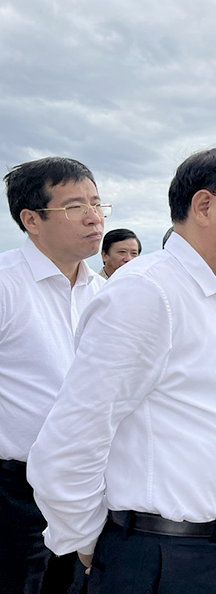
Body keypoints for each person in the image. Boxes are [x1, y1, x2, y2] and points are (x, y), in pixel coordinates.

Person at [27, 146, 216, 594]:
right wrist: (91, 545)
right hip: (163, 558)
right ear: (204, 205)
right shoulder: (149, 292)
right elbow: (72, 441)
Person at [0, 157, 108, 594]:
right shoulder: (6, 283)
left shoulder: (105, 293)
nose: (93, 216)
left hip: (86, 484)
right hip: (14, 490)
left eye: (98, 203)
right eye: (74, 206)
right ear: (32, 219)